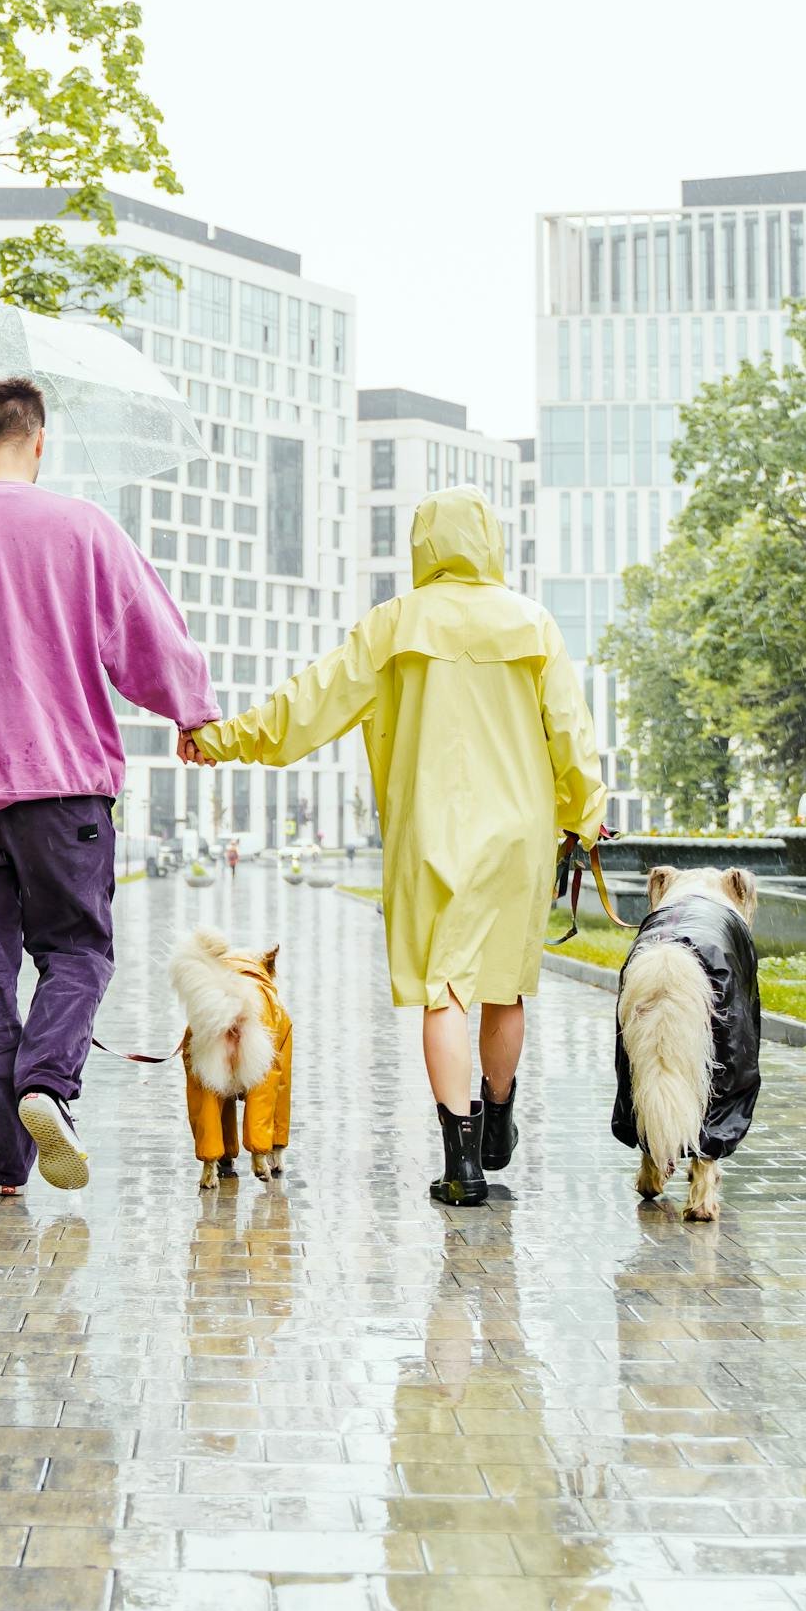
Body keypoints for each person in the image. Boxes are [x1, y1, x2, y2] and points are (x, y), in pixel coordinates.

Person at [187, 484, 604, 1207]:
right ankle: (498, 1113)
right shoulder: (532, 623)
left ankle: (463, 1162)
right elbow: (570, 732)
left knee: (444, 990)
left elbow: (308, 706)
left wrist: (222, 740)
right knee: (505, 982)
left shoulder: (394, 624)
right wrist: (582, 813)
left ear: (423, 545)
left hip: (433, 830)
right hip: (519, 832)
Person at [0, 377, 218, 1197]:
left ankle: (5, 1164)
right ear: (40, 441)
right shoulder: (84, 529)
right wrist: (191, 713)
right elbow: (151, 640)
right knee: (77, 953)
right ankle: (48, 1086)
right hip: (65, 795)